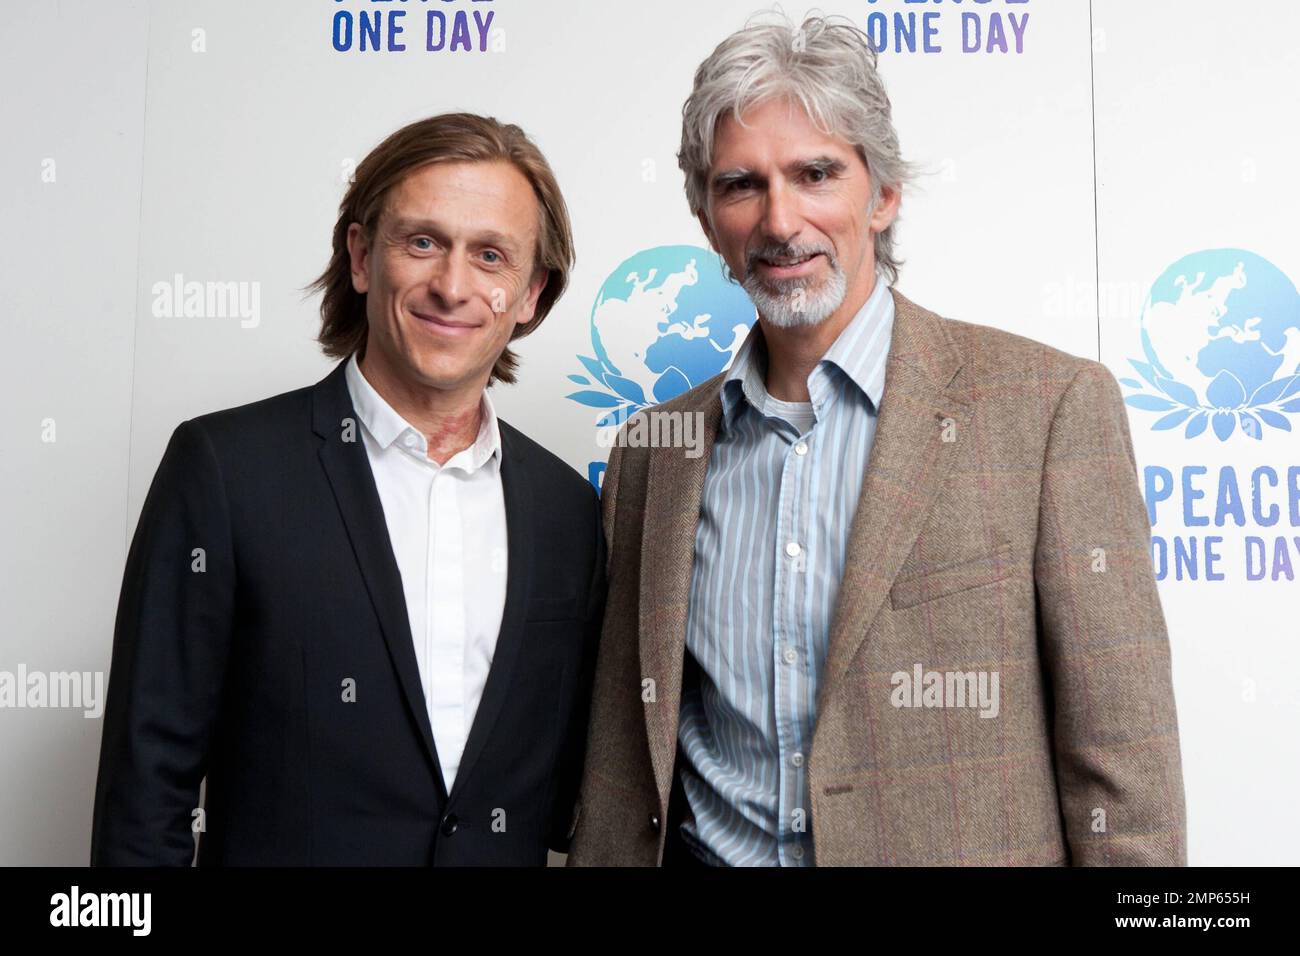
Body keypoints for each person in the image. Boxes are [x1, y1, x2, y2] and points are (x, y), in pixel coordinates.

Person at [568, 14, 1186, 867]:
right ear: (709, 220)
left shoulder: (1047, 409)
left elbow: (1124, 760)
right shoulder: (652, 454)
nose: (781, 221)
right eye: (742, 184)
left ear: (883, 194)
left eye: (816, 173)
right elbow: (621, 756)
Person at [91, 113, 605, 866]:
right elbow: (145, 793)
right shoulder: (226, 471)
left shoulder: (569, 511)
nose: (452, 285)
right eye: (422, 241)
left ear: (529, 294)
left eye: (490, 256)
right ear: (363, 257)